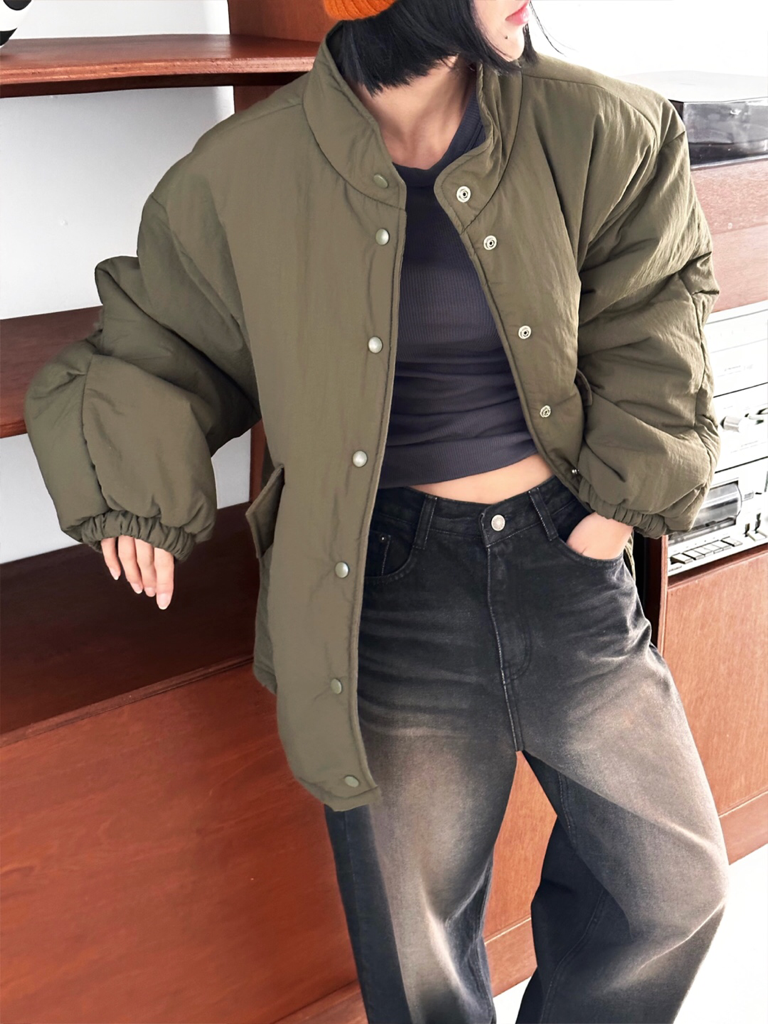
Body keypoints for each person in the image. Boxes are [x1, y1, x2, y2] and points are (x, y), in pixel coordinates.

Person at [24, 1, 730, 1021]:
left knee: (673, 891)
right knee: (418, 951)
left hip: (565, 557)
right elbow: (161, 343)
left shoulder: (603, 127)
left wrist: (614, 514)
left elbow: (653, 312)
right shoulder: (242, 172)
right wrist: (135, 493)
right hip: (384, 585)